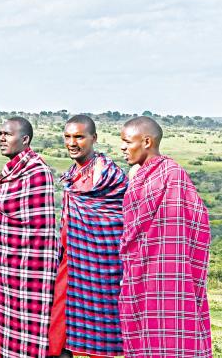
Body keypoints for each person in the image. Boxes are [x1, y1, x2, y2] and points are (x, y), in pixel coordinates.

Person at [118, 116, 211, 358]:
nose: (122, 147)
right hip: (138, 270)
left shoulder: (172, 175)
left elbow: (196, 222)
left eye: (127, 142)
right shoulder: (135, 176)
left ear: (146, 141)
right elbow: (132, 228)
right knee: (141, 330)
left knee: (171, 330)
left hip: (169, 273)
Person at [48, 115, 127, 357]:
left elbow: (118, 220)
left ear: (94, 138)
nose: (72, 142)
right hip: (70, 262)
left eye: (79, 137)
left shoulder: (108, 175)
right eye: (68, 137)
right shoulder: (73, 173)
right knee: (57, 336)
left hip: (102, 266)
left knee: (100, 335)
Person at [0, 117, 59, 358]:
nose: (1, 138)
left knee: (34, 326)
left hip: (34, 268)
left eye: (7, 134)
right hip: (8, 266)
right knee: (9, 324)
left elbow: (42, 227)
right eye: (0, 133)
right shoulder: (7, 172)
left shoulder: (38, 171)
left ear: (25, 139)